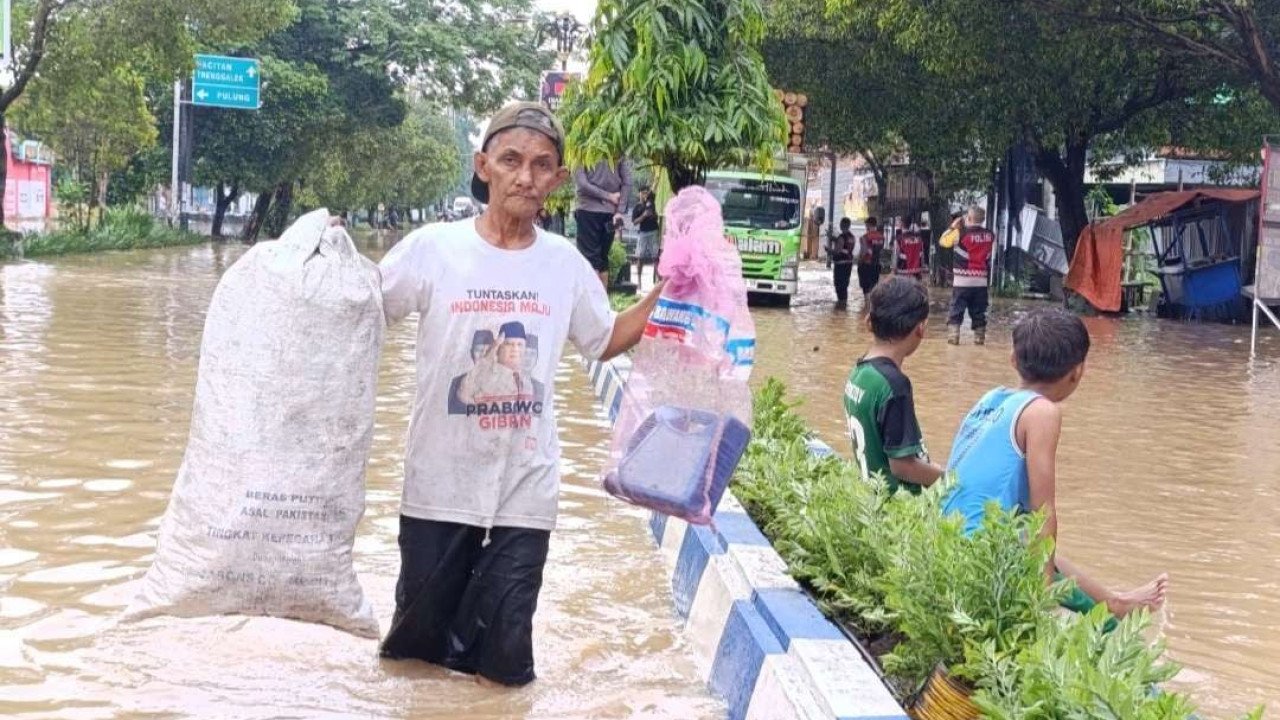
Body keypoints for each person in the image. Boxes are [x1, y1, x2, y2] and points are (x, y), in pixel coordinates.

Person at [377, 101, 664, 687]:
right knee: (414, 660)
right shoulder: (432, 248)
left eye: (541, 165)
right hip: (437, 487)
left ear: (559, 182)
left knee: (506, 668)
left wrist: (671, 292)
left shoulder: (564, 264)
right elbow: (364, 313)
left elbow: (604, 339)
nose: (525, 176)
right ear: (484, 166)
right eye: (511, 160)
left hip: (525, 490)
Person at [942, 309, 1168, 620]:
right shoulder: (1042, 412)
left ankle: (1116, 602)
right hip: (980, 560)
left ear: (1012, 359)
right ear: (1078, 372)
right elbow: (1044, 512)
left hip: (944, 544)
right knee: (1100, 628)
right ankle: (1111, 614)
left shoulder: (992, 399)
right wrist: (1040, 600)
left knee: (1039, 547)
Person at [843, 277, 945, 494]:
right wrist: (951, 479)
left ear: (870, 320)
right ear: (921, 328)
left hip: (873, 500)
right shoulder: (894, 385)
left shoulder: (859, 372)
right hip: (899, 510)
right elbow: (903, 467)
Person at [574, 157, 632, 288]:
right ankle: (603, 304)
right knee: (603, 258)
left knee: (589, 259)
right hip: (611, 214)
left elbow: (582, 184)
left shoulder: (581, 150)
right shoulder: (616, 150)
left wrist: (608, 196)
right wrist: (620, 210)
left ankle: (591, 304)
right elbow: (628, 181)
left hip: (587, 211)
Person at [940, 206, 994, 345]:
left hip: (962, 283)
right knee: (979, 312)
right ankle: (979, 339)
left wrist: (953, 226)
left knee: (956, 310)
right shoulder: (990, 235)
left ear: (968, 218)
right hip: (981, 282)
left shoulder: (959, 234)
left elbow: (943, 241)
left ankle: (954, 337)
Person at [631, 184, 660, 287]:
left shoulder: (651, 201)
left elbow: (655, 185)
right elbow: (634, 222)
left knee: (655, 257)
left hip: (653, 231)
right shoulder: (637, 207)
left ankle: (659, 281)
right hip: (643, 233)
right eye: (643, 192)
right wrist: (643, 216)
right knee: (640, 257)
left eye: (646, 192)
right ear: (639, 194)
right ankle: (639, 282)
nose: (644, 194)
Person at [829, 217, 858, 309]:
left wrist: (828, 250)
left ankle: (841, 304)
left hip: (840, 264)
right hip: (849, 264)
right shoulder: (852, 237)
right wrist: (833, 239)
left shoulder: (841, 237)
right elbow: (845, 246)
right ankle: (843, 304)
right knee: (845, 284)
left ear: (841, 225)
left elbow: (837, 250)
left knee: (839, 284)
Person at [857, 216, 885, 302]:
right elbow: (879, 250)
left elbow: (864, 252)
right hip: (876, 265)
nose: (866, 227)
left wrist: (859, 261)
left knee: (866, 289)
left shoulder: (864, 237)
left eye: (866, 225)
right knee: (874, 287)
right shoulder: (882, 237)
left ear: (868, 225)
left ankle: (866, 308)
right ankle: (872, 307)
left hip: (866, 264)